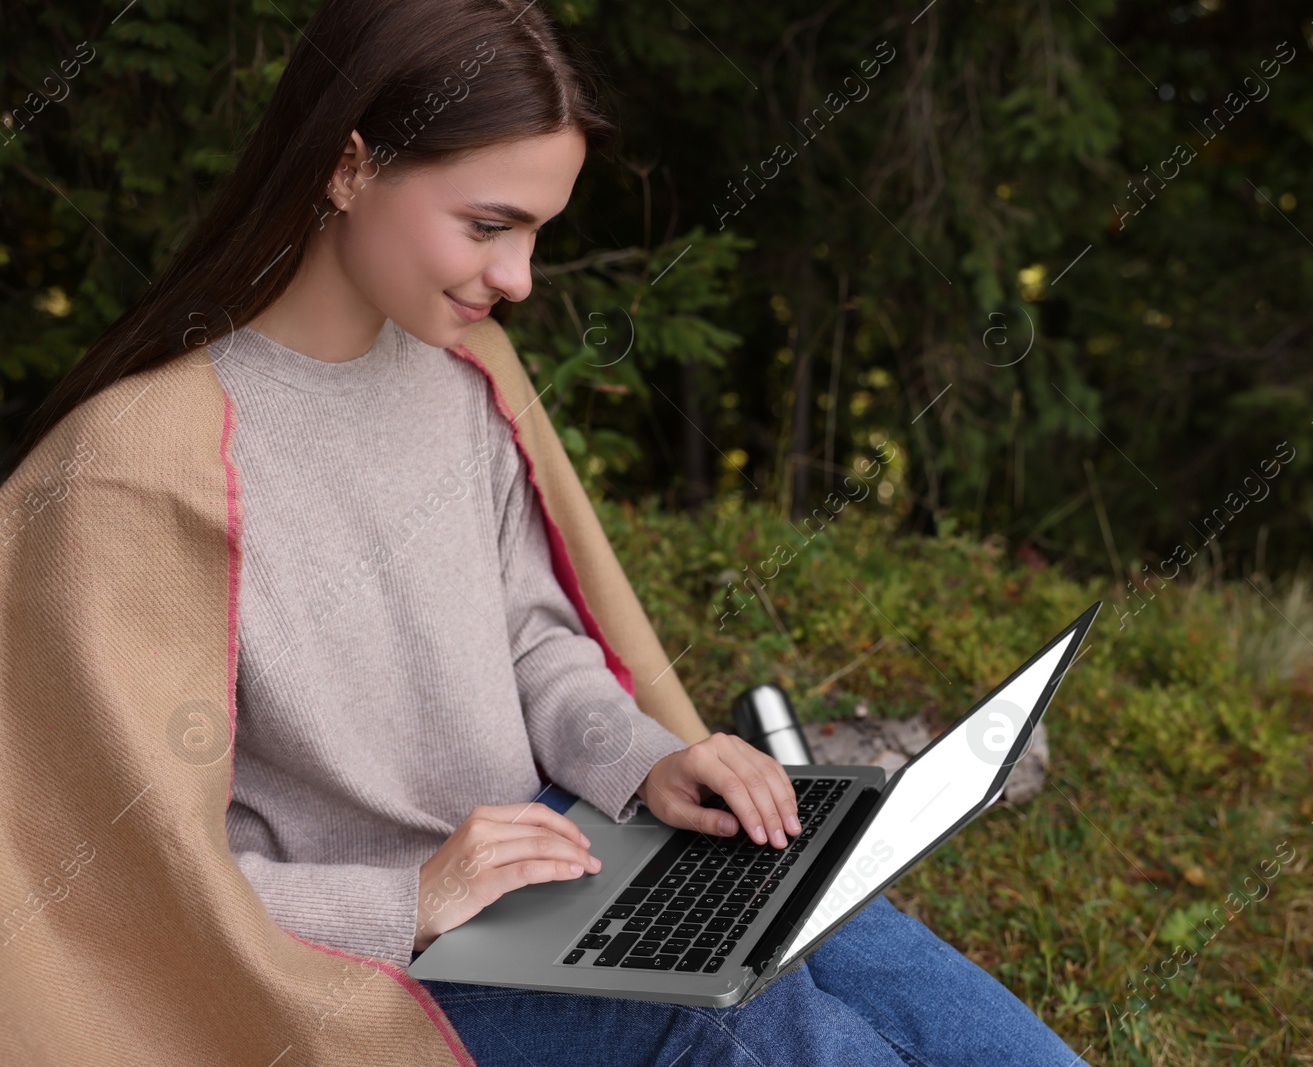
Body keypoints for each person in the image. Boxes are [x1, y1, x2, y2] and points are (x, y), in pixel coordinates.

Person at [15, 2, 1094, 1063]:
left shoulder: (459, 373)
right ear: (346, 169)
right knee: (743, 1028)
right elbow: (109, 880)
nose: (520, 278)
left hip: (557, 860)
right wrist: (413, 894)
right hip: (368, 964)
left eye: (537, 232)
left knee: (846, 929)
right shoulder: (133, 472)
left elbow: (532, 636)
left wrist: (646, 759)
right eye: (489, 225)